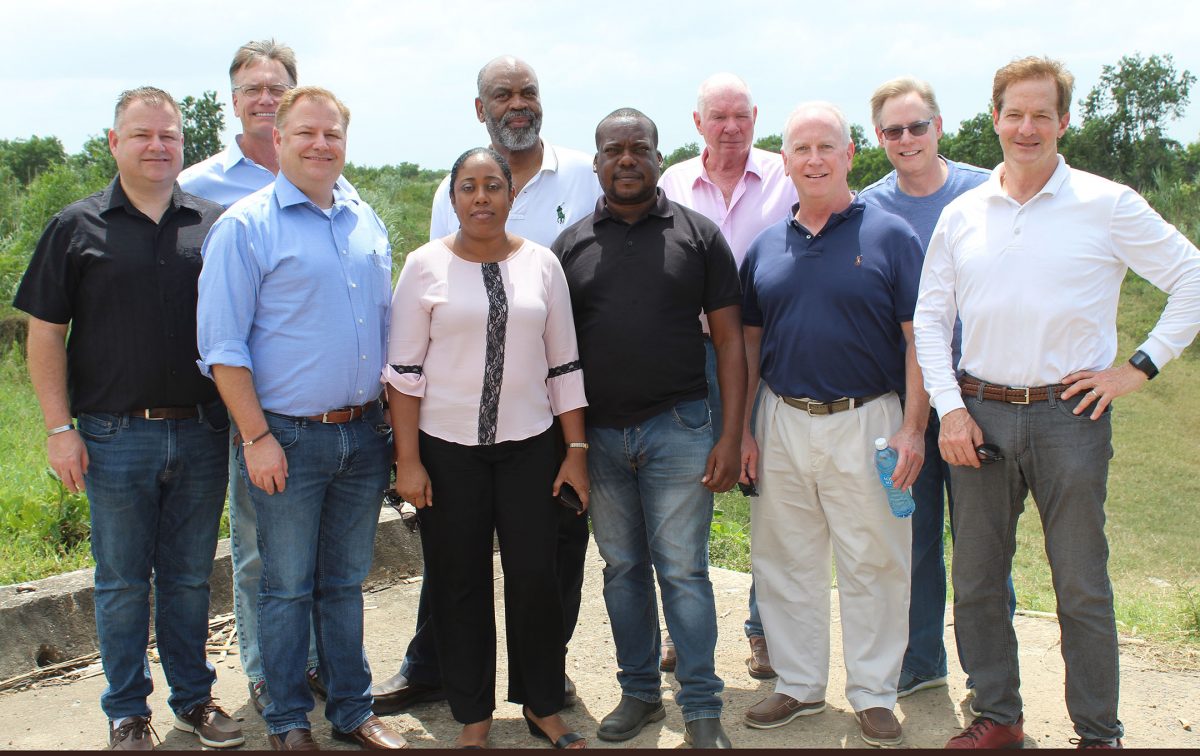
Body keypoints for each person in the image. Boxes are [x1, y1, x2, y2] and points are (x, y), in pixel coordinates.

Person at [915, 56, 1200, 750]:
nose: (1028, 126)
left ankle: (1098, 733)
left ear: (1065, 121)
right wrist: (949, 409)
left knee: (1081, 585)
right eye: (1015, 112)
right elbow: (929, 319)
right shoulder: (962, 214)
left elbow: (1191, 277)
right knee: (978, 580)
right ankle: (999, 717)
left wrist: (1136, 368)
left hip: (1071, 417)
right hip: (978, 416)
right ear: (995, 120)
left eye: (1043, 113)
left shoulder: (1109, 204)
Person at [14, 87, 242, 750]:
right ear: (114, 142)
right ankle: (126, 710)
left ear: (183, 144)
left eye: (168, 135)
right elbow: (45, 332)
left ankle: (194, 699)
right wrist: (61, 430)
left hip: (203, 430)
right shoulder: (75, 227)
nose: (156, 145)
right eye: (141, 134)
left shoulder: (215, 223)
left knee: (190, 577)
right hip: (114, 436)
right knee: (119, 582)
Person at [375, 54, 601, 715]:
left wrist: (576, 446)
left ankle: (543, 686)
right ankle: (439, 672)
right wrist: (407, 455)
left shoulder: (583, 176)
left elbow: (566, 347)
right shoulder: (436, 241)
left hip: (545, 417)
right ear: (482, 109)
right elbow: (416, 347)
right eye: (501, 94)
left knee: (546, 565)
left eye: (528, 91)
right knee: (455, 569)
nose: (517, 103)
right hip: (452, 432)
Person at [196, 86, 407, 751]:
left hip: (362, 434)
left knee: (344, 585)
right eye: (306, 133)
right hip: (284, 436)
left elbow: (386, 332)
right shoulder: (246, 225)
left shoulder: (363, 220)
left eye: (333, 134)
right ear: (278, 139)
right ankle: (288, 719)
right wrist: (256, 438)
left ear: (346, 142)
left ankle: (351, 710)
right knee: (285, 589)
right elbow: (222, 349)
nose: (321, 145)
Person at [554, 108, 745, 749]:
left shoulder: (699, 236)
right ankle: (638, 693)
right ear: (599, 161)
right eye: (614, 150)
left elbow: (728, 345)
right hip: (600, 437)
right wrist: (570, 444)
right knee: (621, 569)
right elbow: (557, 356)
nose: (627, 159)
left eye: (640, 148)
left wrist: (729, 433)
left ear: (661, 157)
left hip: (681, 426)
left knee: (684, 572)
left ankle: (701, 707)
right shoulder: (571, 246)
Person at [738, 102, 925, 747]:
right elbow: (749, 346)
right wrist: (743, 429)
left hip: (868, 419)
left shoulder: (891, 235)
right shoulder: (765, 245)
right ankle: (797, 683)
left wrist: (915, 428)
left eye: (827, 147)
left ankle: (874, 693)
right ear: (783, 160)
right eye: (800, 149)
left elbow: (917, 339)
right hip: (783, 417)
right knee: (785, 559)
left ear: (850, 155)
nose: (813, 160)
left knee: (874, 560)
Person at [178, 37, 329, 717]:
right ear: (232, 101)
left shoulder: (329, 174)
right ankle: (269, 673)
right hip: (241, 406)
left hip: (319, 410)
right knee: (257, 551)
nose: (263, 99)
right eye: (251, 90)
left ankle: (319, 666)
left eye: (276, 88)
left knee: (317, 552)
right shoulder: (200, 184)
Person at [856, 75, 999, 699]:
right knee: (912, 537)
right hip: (905, 399)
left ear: (940, 127)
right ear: (878, 137)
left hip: (976, 395)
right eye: (893, 130)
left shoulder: (984, 191)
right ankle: (921, 659)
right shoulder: (869, 206)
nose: (907, 138)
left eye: (918, 126)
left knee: (980, 544)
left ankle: (990, 673)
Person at [658, 72, 796, 682]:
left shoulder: (788, 176)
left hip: (769, 357)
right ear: (698, 124)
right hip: (691, 356)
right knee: (687, 489)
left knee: (771, 494)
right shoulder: (671, 183)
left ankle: (766, 630)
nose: (731, 127)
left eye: (741, 115)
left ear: (756, 117)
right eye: (719, 117)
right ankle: (679, 629)